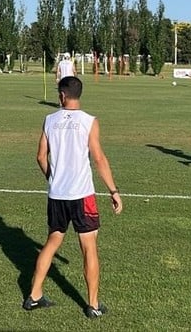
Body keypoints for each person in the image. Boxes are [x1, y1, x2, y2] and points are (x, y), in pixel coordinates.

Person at [25, 76, 122, 319]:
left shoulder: (49, 120)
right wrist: (113, 190)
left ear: (62, 95)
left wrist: (53, 178)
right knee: (89, 247)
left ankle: (34, 296)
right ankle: (93, 305)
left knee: (52, 241)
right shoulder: (89, 121)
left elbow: (41, 157)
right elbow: (98, 158)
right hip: (82, 195)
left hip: (57, 195)